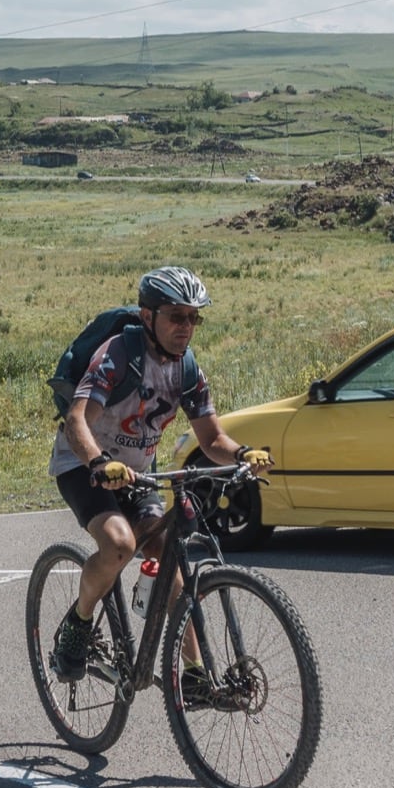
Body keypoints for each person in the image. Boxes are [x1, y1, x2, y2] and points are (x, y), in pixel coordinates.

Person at [46, 266, 266, 684]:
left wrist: (243, 453)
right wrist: (98, 464)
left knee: (168, 554)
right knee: (119, 545)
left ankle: (194, 675)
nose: (187, 327)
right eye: (176, 316)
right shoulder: (118, 355)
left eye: (194, 318)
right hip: (83, 465)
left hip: (137, 474)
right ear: (148, 317)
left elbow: (212, 438)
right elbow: (77, 420)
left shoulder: (186, 368)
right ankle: (78, 623)